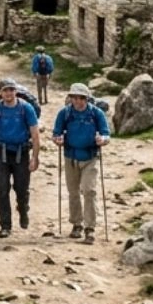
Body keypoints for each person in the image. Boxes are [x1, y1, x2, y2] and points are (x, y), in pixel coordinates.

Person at [52, 83, 112, 243]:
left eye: (81, 98)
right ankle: (76, 224)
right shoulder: (64, 114)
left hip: (90, 157)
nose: (78, 101)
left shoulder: (96, 114)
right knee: (73, 192)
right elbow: (56, 132)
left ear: (87, 98)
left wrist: (103, 140)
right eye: (74, 97)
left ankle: (90, 228)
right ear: (70, 98)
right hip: (70, 156)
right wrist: (57, 139)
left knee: (89, 190)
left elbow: (106, 134)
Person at [0, 77, 41, 239]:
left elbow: (35, 135)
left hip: (21, 154)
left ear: (16, 91)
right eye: (5, 90)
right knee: (2, 190)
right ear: (0, 92)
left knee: (21, 189)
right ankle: (5, 225)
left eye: (11, 90)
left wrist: (35, 157)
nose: (8, 93)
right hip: (1, 153)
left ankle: (23, 209)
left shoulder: (26, 109)